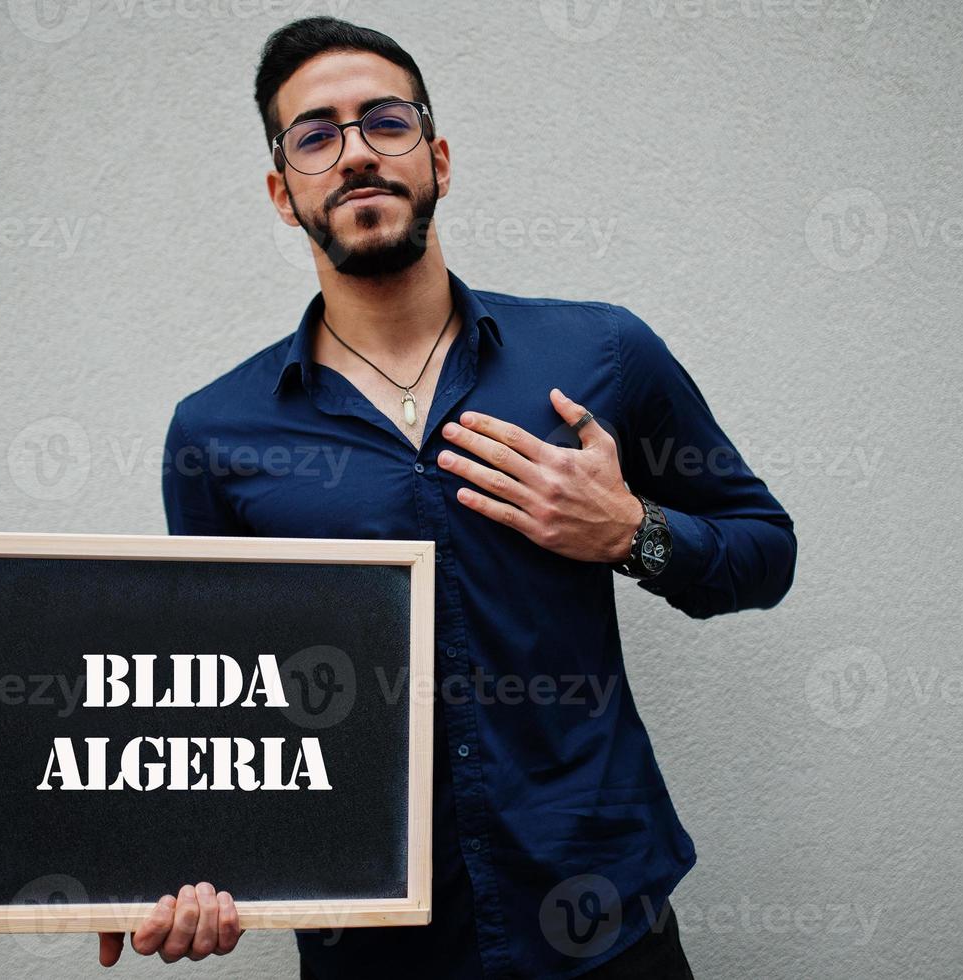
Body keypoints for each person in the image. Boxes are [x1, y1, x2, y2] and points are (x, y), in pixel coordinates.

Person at [100, 16, 796, 978]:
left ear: (436, 158)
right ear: (281, 191)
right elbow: (220, 714)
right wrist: (184, 873)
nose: (354, 155)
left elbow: (765, 554)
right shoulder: (217, 435)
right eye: (314, 136)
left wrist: (629, 533)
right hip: (373, 950)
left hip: (603, 936)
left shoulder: (599, 353)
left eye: (383, 122)